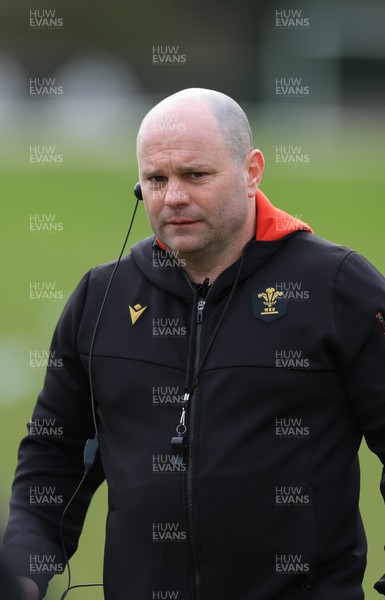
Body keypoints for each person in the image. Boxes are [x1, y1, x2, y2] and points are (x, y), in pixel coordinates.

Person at [3, 87, 385, 600]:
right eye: (156, 179)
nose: (173, 197)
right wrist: (23, 572)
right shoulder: (102, 296)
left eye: (195, 175)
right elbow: (56, 454)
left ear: (251, 171)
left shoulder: (337, 287)